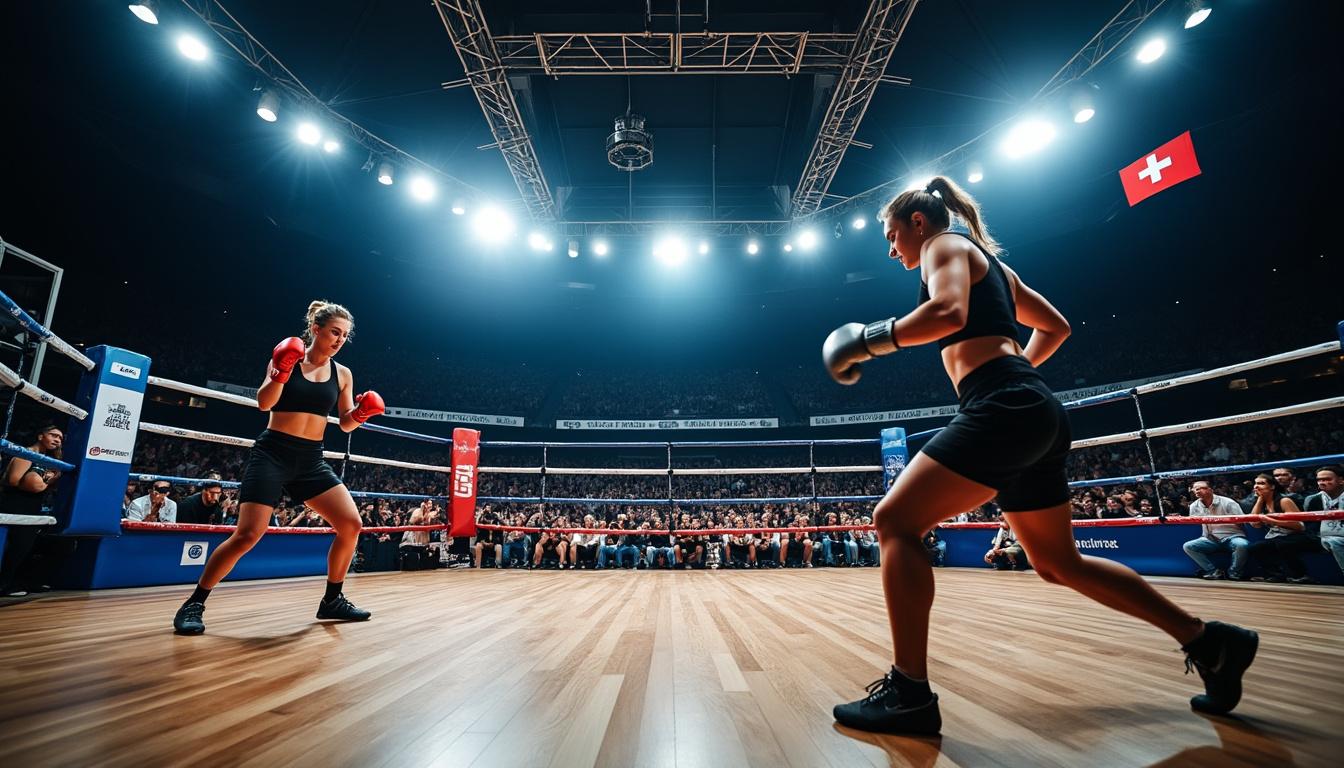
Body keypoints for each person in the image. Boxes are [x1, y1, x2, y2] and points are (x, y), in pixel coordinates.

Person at [821, 176, 1256, 734]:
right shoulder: (999, 270)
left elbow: (950, 314)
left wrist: (870, 339)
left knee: (894, 521)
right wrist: (1018, 372)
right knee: (1057, 563)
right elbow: (1056, 327)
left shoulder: (942, 247)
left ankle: (908, 693)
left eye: (891, 234)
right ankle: (1208, 641)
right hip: (1031, 406)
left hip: (1003, 405)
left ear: (919, 223)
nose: (891, 248)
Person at [172, 301, 385, 635]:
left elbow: (343, 424)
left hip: (311, 459)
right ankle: (194, 602)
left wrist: (360, 414)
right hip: (273, 453)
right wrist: (280, 371)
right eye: (334, 332)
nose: (340, 340)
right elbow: (264, 402)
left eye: (345, 335)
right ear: (316, 329)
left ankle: (332, 599)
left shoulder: (343, 374)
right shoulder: (290, 357)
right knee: (247, 535)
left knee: (351, 524)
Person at [0, 425, 64, 596]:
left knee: (28, 546)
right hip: (16, 504)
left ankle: (23, 581)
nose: (57, 440)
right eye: (53, 435)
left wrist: (45, 482)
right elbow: (14, 481)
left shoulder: (47, 461)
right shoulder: (27, 453)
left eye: (60, 438)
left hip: (32, 506)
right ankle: (5, 585)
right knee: (18, 546)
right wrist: (44, 481)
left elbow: (43, 488)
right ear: (40, 436)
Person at [1246, 473, 1314, 583]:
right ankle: (1275, 575)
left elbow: (1299, 526)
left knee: (1283, 544)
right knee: (1255, 547)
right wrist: (1259, 500)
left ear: (1272, 486)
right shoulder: (1261, 503)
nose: (1256, 486)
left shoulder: (1284, 501)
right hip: (1278, 537)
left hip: (1298, 536)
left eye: (1261, 483)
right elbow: (1255, 524)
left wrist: (1271, 521)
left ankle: (1301, 575)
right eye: (1255, 483)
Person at [1180, 481, 1249, 580]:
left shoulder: (1228, 502)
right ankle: (1213, 571)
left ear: (1210, 490)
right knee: (1188, 546)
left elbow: (1242, 522)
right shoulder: (1194, 506)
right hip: (1210, 539)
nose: (1197, 490)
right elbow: (1195, 522)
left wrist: (1241, 534)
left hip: (1232, 536)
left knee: (1242, 544)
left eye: (1200, 488)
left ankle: (1234, 572)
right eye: (1195, 489)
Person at [1305, 465, 1344, 575]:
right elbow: (1310, 524)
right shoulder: (1313, 499)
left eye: (1327, 479)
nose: (1322, 482)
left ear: (1341, 480)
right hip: (1323, 536)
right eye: (1319, 480)